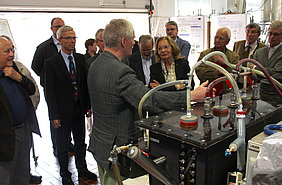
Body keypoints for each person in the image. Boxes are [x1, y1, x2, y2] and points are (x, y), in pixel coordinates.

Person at [87, 19, 208, 185]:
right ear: (124, 41)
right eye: (133, 39)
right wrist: (191, 96)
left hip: (101, 144)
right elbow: (148, 100)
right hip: (116, 149)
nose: (134, 43)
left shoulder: (96, 63)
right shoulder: (120, 70)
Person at [44, 26, 97, 185]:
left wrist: (88, 106)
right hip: (61, 112)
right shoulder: (51, 63)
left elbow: (84, 85)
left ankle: (82, 169)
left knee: (81, 142)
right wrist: (54, 115)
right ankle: (65, 174)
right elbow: (50, 92)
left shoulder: (81, 59)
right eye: (68, 38)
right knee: (62, 146)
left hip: (79, 109)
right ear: (60, 40)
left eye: (74, 38)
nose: (72, 41)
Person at [1, 34, 42, 184]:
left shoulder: (16, 68)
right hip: (5, 137)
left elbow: (31, 89)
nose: (12, 54)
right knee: (6, 176)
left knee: (23, 171)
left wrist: (18, 77)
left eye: (12, 49)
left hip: (24, 129)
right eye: (7, 51)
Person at [31, 17, 74, 156]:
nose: (59, 28)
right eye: (57, 27)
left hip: (68, 89)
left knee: (69, 117)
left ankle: (68, 143)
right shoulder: (44, 47)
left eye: (62, 26)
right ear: (52, 29)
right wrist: (46, 78)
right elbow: (35, 66)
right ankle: (57, 146)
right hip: (52, 89)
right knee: (56, 118)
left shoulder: (69, 44)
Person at [250, 21, 282, 97]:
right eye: (270, 33)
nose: (272, 37)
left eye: (276, 34)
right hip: (259, 92)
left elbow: (277, 73)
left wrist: (254, 68)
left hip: (277, 93)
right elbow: (253, 74)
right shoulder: (259, 52)